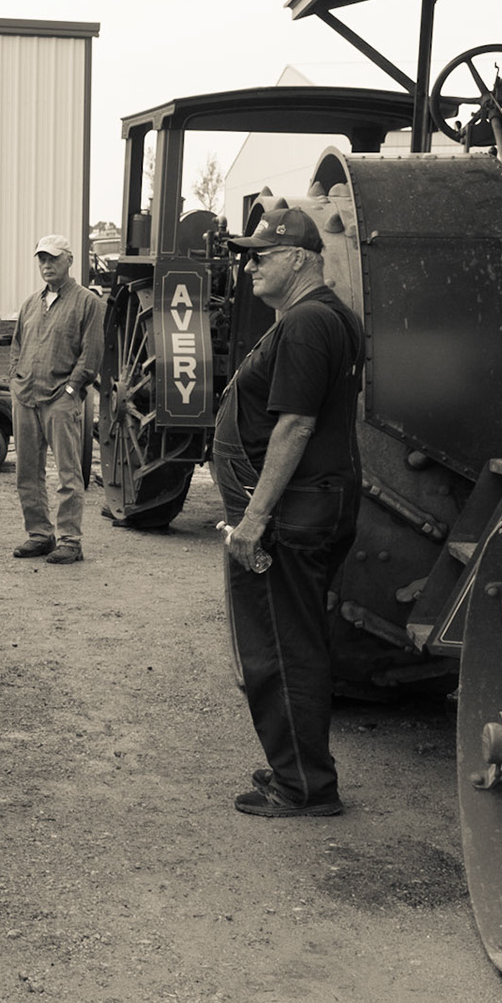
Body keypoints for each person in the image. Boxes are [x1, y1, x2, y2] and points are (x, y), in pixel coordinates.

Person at [217, 206, 364, 818]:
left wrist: (254, 519)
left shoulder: (306, 323)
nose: (251, 264)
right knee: (295, 639)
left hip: (293, 512)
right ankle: (296, 764)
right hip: (317, 502)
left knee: (281, 647)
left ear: (300, 258)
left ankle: (303, 785)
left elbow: (296, 425)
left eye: (262, 254)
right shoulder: (329, 317)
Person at [9, 235, 104, 564]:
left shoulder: (87, 302)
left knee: (68, 473)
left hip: (60, 398)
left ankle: (70, 541)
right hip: (25, 396)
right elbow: (17, 345)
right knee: (27, 472)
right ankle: (39, 534)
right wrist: (15, 379)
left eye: (53, 259)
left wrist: (70, 390)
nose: (46, 265)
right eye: (41, 259)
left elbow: (91, 355)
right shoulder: (30, 303)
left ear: (69, 261)